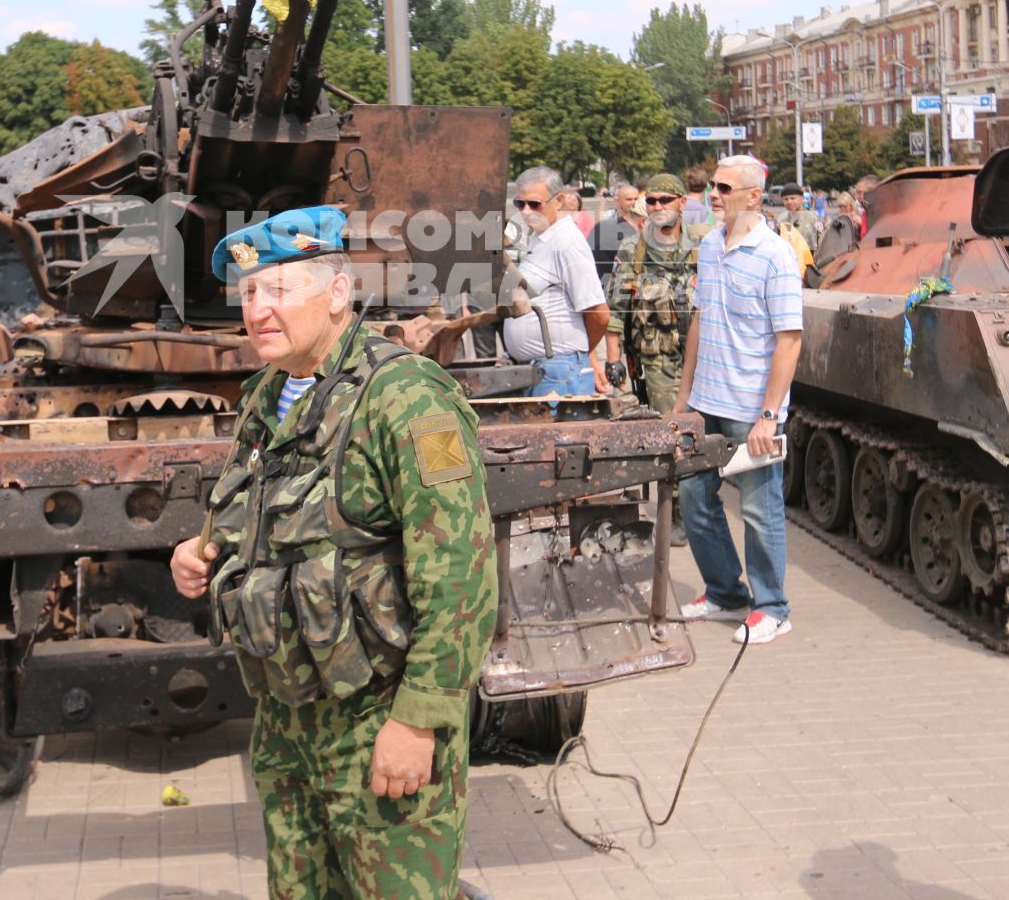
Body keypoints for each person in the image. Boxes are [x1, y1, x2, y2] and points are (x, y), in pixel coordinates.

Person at [168, 206, 494, 900]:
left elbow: (461, 577)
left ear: (337, 293)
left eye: (278, 291)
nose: (258, 310)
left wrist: (418, 721)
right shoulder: (267, 395)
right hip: (288, 723)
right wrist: (200, 551)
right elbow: (253, 512)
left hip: (380, 716)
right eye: (249, 294)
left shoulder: (407, 398)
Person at [676, 154, 803, 645]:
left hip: (752, 408)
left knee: (759, 510)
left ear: (753, 196)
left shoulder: (776, 255)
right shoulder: (709, 246)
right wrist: (685, 398)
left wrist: (769, 415)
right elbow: (700, 321)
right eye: (712, 185)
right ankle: (724, 591)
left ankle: (771, 606)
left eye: (724, 187)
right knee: (694, 500)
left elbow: (789, 340)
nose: (714, 194)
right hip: (706, 402)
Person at [504, 166, 612, 398]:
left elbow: (599, 314)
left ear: (559, 200)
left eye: (534, 204)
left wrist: (577, 355)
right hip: (547, 370)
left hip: (558, 373)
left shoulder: (566, 241)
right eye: (519, 204)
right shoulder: (542, 238)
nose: (526, 211)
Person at [605, 173, 700, 417]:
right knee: (671, 428)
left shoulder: (704, 245)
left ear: (682, 202)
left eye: (666, 200)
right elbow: (616, 310)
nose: (658, 206)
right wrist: (613, 361)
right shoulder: (632, 250)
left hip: (704, 358)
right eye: (651, 201)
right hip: (659, 360)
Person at [812, 191, 862, 273]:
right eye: (840, 206)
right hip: (840, 249)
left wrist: (856, 220)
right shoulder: (839, 216)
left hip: (855, 248)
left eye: (844, 206)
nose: (842, 209)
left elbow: (863, 228)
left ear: (850, 205)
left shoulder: (856, 216)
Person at [779, 184, 822, 250]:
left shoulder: (813, 219)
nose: (789, 202)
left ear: (802, 198)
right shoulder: (781, 219)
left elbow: (820, 245)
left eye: (793, 198)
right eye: (786, 199)